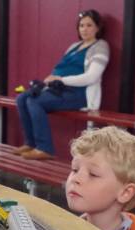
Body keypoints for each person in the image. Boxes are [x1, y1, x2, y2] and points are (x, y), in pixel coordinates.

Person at [15, 9, 109, 160]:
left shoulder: (100, 46)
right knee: (22, 98)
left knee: (34, 101)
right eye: (81, 25)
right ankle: (31, 143)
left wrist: (61, 80)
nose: (84, 29)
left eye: (89, 25)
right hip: (58, 89)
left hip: (79, 94)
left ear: (98, 27)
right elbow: (61, 69)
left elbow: (92, 77)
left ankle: (45, 148)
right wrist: (50, 81)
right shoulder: (74, 46)